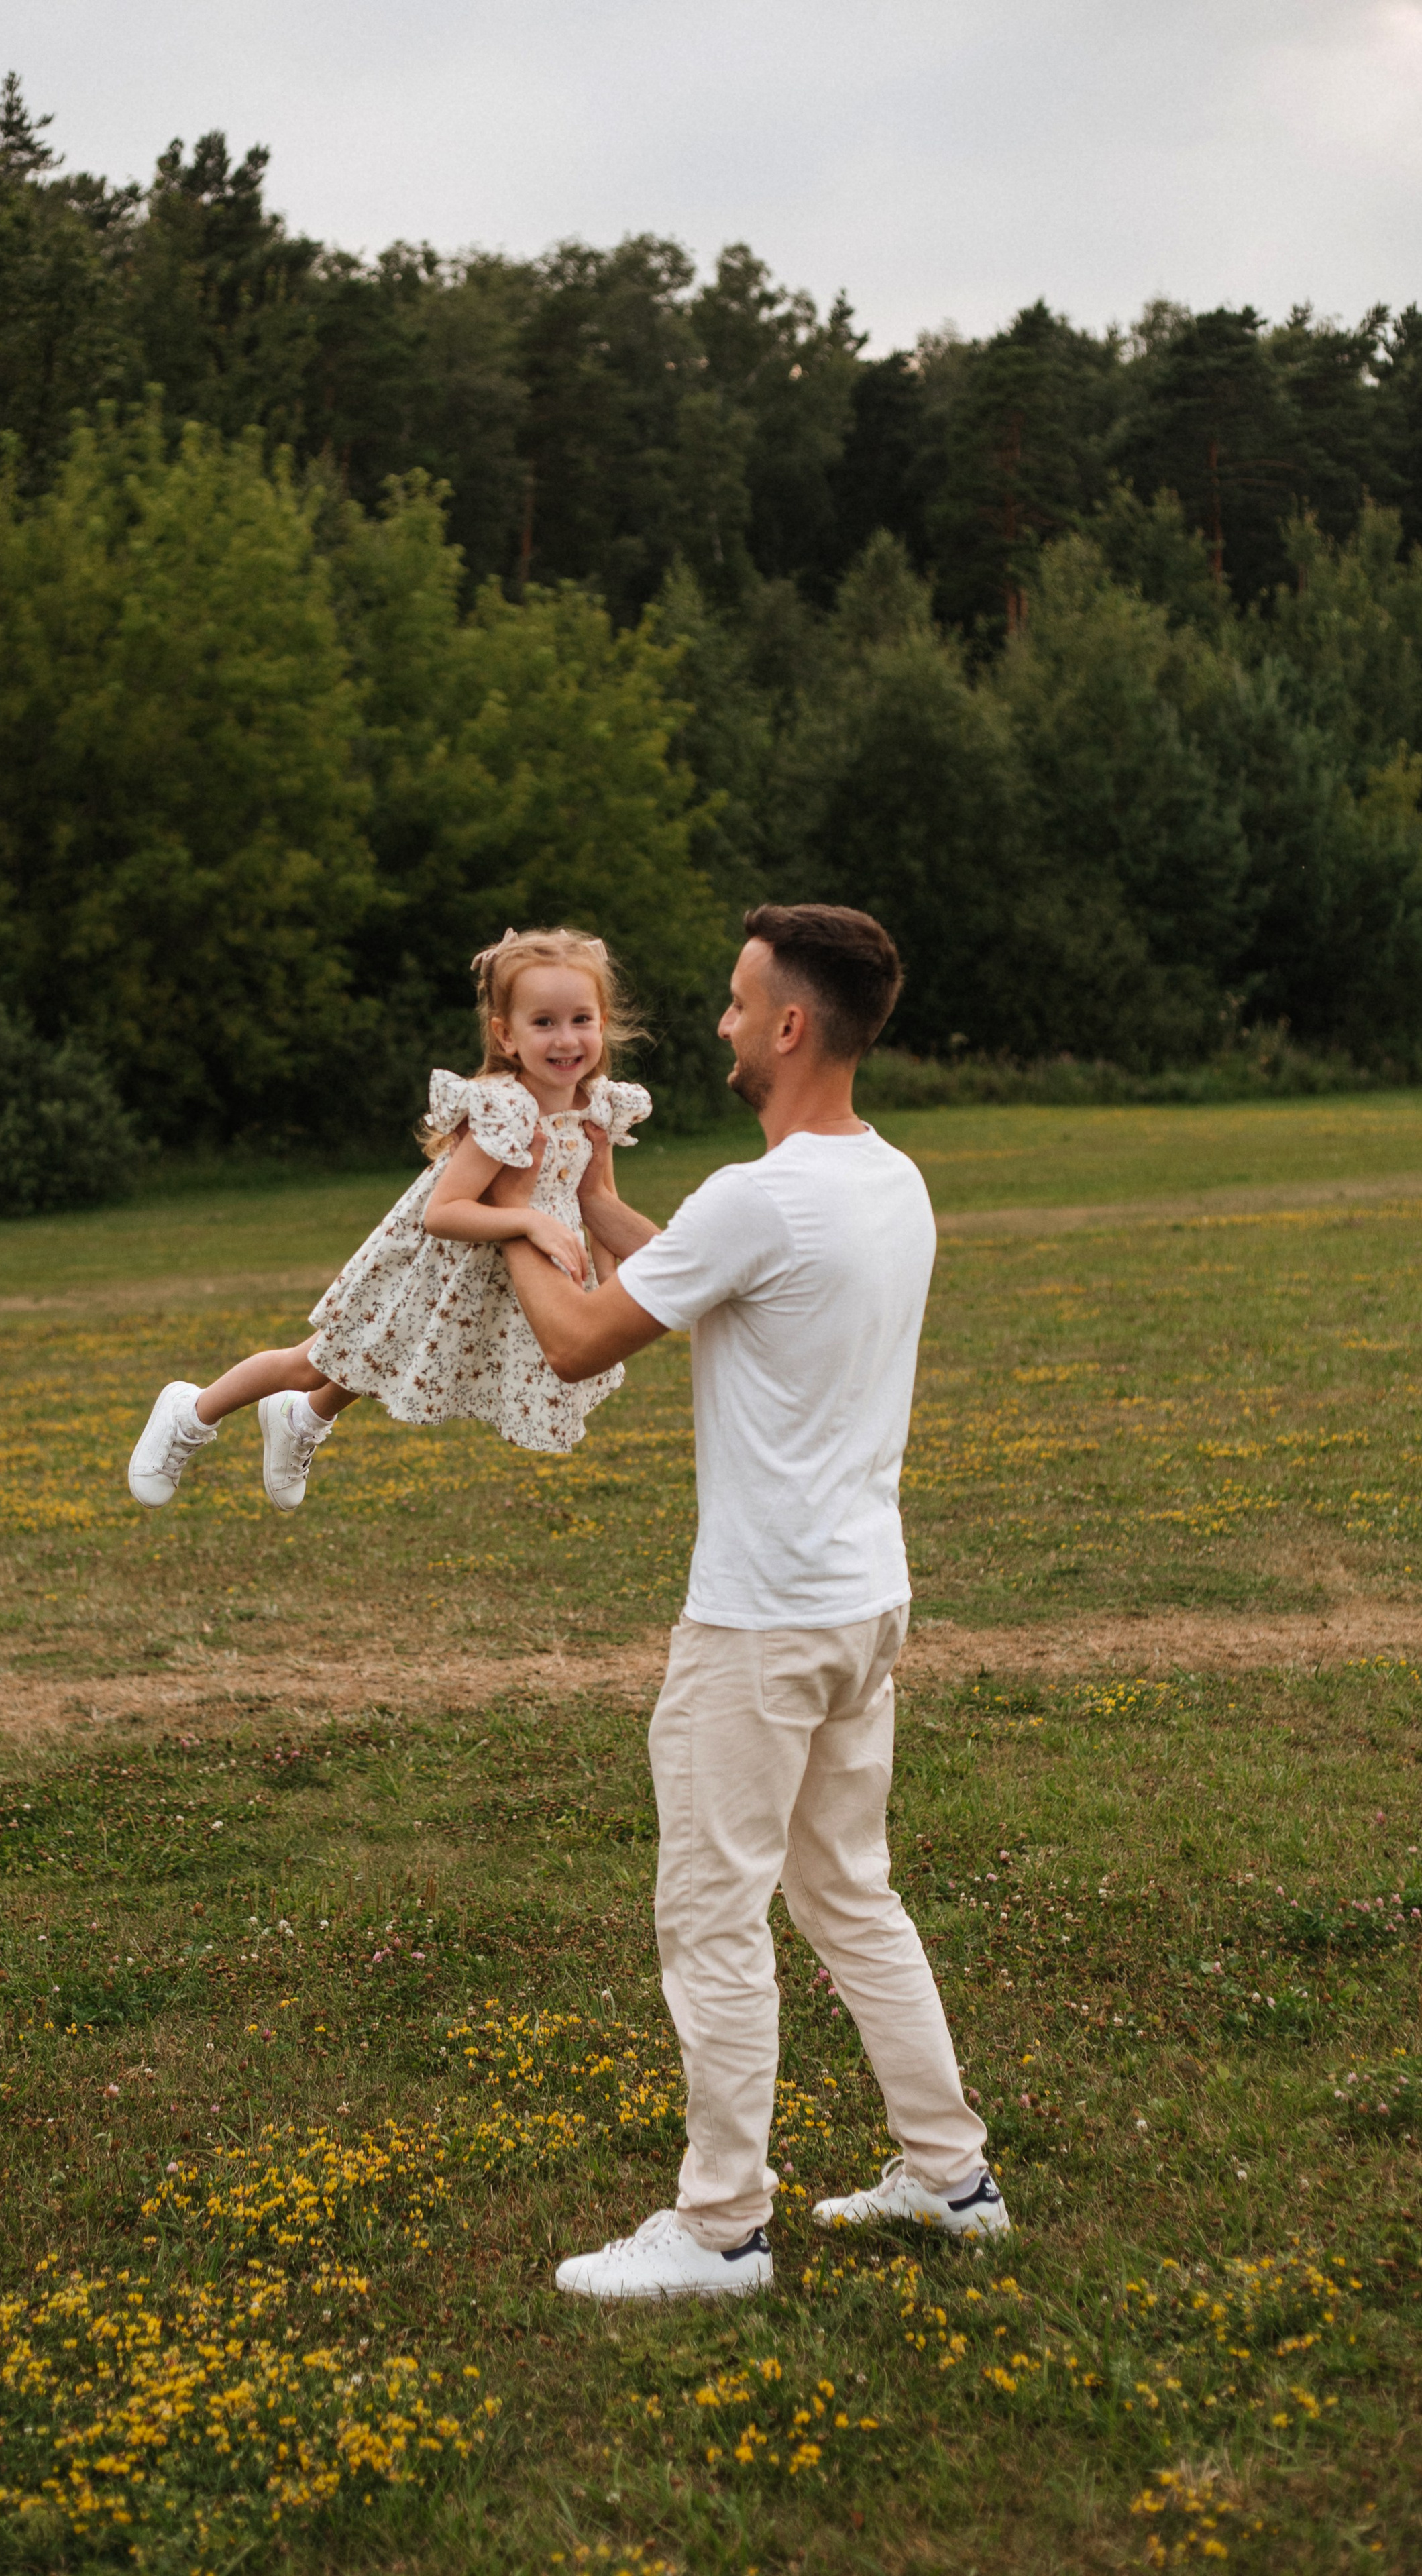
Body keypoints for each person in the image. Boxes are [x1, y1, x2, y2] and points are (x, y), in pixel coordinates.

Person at [489, 902, 1009, 2302]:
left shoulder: (757, 1197)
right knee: (848, 1891)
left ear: (787, 1024)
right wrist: (591, 1199)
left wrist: (509, 1221)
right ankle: (950, 2178)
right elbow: (720, 1274)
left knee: (711, 1916)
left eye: (734, 1003)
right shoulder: (884, 1178)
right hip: (860, 1605)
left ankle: (720, 2229)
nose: (717, 1024)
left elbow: (579, 1339)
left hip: (759, 1623)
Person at [126, 928, 653, 1513]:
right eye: (544, 1022)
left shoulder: (599, 1106)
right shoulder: (504, 1110)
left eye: (581, 1019)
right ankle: (191, 1412)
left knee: (385, 1360)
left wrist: (609, 1285)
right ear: (507, 1034)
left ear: (603, 1022)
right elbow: (443, 1213)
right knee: (313, 1363)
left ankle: (300, 1420)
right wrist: (527, 1223)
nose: (566, 1039)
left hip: (500, 1281)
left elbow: (598, 1199)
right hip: (432, 1263)